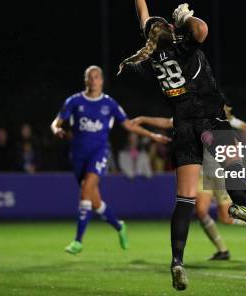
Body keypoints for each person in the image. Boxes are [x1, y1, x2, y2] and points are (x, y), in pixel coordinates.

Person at [120, 0, 246, 291]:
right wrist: (187, 17)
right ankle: (239, 203)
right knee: (233, 160)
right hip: (208, 119)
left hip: (182, 126)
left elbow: (144, 20)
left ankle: (177, 260)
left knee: (185, 199)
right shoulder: (182, 46)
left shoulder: (154, 55)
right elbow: (201, 29)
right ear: (171, 31)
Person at [51, 65, 170, 255]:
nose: (93, 80)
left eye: (97, 77)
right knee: (95, 201)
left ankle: (78, 240)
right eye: (90, 77)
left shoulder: (110, 104)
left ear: (102, 81)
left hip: (99, 153)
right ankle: (119, 225)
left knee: (85, 189)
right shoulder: (74, 101)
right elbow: (56, 122)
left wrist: (152, 135)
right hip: (78, 155)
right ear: (86, 80)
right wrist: (56, 129)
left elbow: (129, 125)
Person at [131, 113, 246, 261]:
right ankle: (222, 250)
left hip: (221, 173)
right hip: (203, 173)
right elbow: (167, 122)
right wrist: (143, 119)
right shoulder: (189, 116)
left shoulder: (222, 118)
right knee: (200, 211)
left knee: (225, 218)